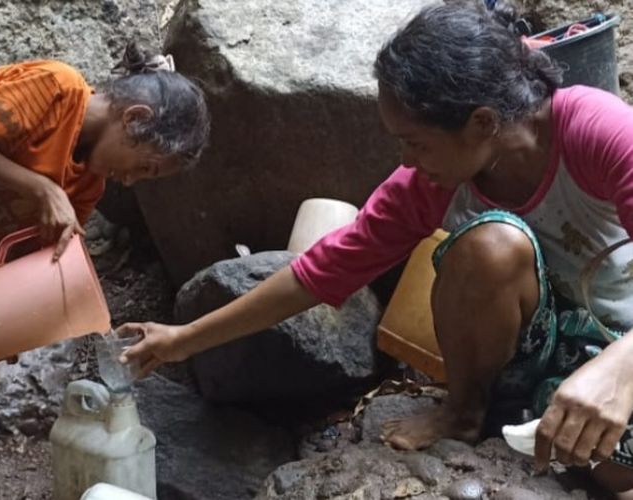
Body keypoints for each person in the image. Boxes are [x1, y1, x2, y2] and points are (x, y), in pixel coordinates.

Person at [117, 1, 633, 495]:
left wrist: (616, 369)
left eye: (415, 141)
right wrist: (184, 340)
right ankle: (466, 411)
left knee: (613, 471)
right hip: (537, 343)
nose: (404, 158)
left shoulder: (598, 132)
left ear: (481, 122)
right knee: (490, 245)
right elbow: (319, 272)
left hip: (620, 336)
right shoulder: (428, 182)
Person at [0, 41, 209, 499]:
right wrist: (39, 187)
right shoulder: (56, 88)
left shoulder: (88, 183)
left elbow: (37, 253)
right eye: (145, 167)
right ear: (133, 119)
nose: (132, 180)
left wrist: (11, 320)